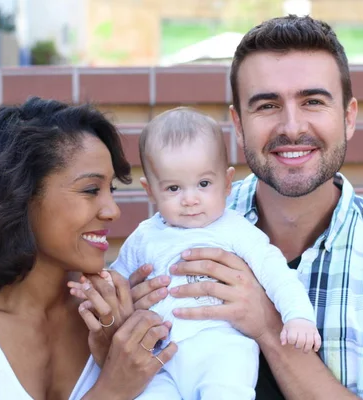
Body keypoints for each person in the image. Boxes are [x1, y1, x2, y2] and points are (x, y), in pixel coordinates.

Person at [126, 15, 363, 399]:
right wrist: (125, 312)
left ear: (348, 117)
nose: (292, 127)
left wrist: (267, 325)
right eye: (267, 105)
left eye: (313, 101)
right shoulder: (179, 223)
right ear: (238, 124)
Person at [0, 97, 177, 400]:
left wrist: (120, 346)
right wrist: (113, 388)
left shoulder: (110, 312)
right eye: (91, 190)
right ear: (18, 196)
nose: (112, 210)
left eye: (110, 189)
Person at [107, 107, 320, 399]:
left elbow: (276, 273)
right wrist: (103, 290)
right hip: (160, 356)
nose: (190, 199)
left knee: (225, 389)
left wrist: (298, 317)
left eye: (204, 184)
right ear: (151, 191)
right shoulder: (144, 236)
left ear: (227, 182)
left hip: (221, 349)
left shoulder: (235, 230)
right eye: (173, 188)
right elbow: (117, 280)